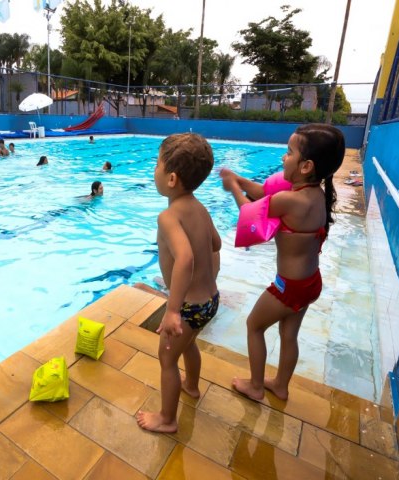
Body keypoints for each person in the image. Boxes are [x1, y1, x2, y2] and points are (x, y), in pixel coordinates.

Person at [220, 123, 345, 402]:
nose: (283, 157)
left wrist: (233, 189)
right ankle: (280, 385)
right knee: (289, 334)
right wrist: (239, 178)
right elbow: (264, 193)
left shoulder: (290, 200)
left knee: (254, 325)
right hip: (310, 283)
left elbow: (250, 214)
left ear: (306, 166)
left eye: (289, 152)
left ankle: (255, 386)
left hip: (288, 287)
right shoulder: (316, 194)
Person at [136, 133, 221, 433]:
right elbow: (215, 243)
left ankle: (167, 419)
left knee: (167, 358)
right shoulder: (200, 208)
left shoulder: (169, 216)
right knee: (189, 344)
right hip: (209, 300)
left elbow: (184, 258)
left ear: (171, 178)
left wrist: (173, 311)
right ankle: (193, 387)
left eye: (156, 164)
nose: (154, 169)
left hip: (187, 306)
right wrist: (209, 281)